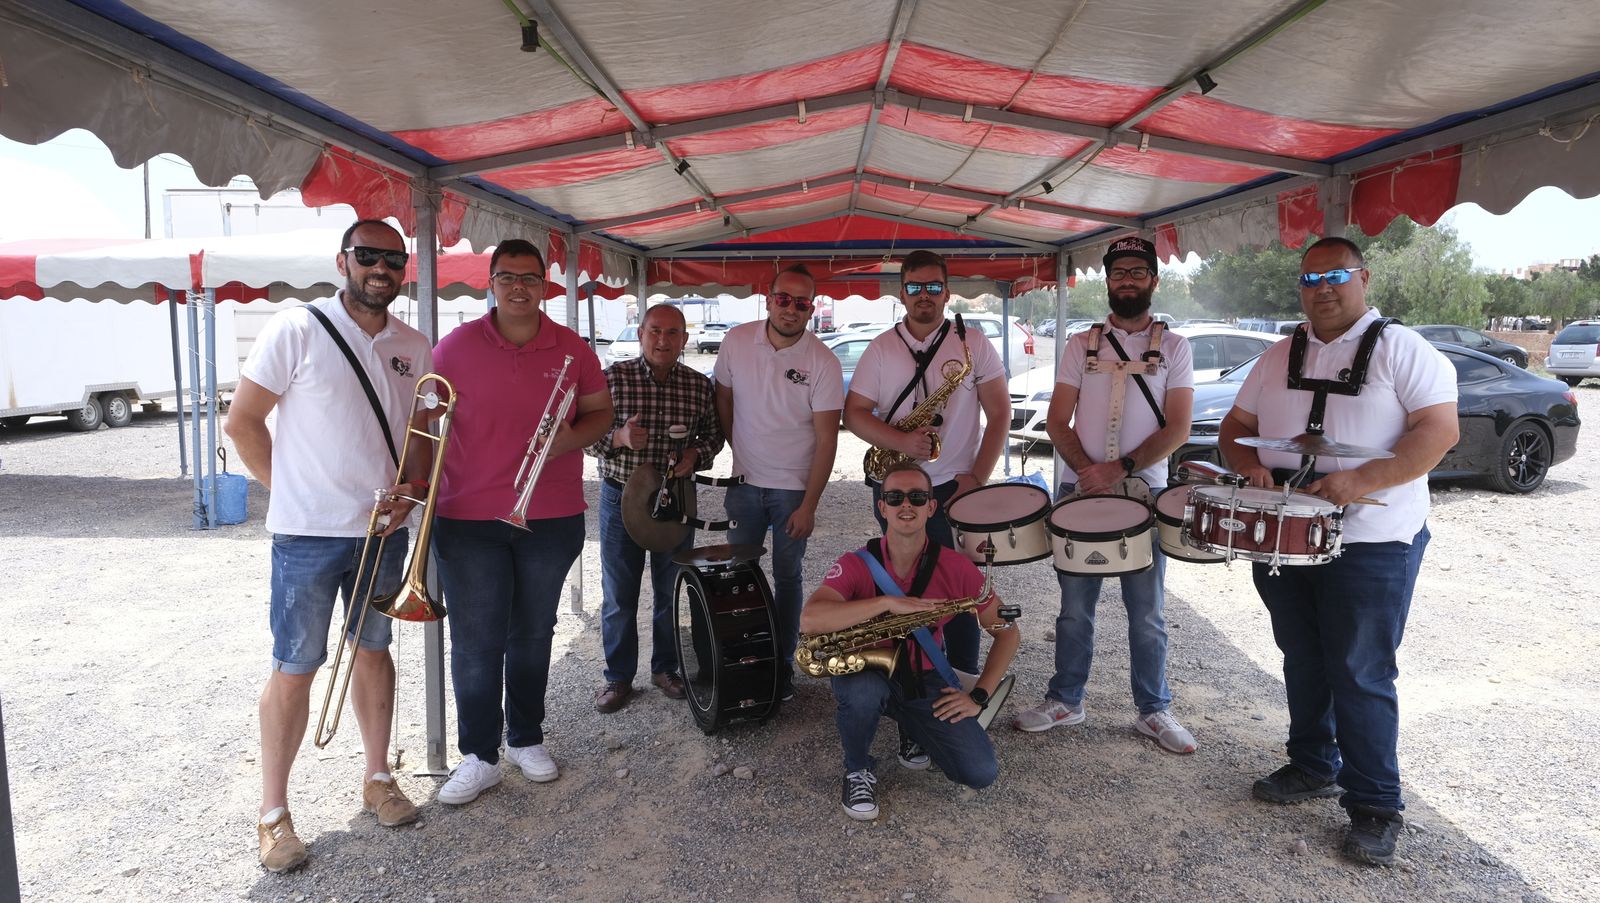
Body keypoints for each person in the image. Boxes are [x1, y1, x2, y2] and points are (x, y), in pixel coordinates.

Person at [1218, 236, 1458, 865]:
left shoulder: (1403, 348)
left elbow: (1440, 430)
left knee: (1360, 669)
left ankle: (1376, 804)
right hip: (1286, 539)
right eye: (1310, 277)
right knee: (1302, 655)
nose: (1322, 287)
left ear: (1364, 278)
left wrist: (1362, 480)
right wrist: (1250, 470)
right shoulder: (1276, 355)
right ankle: (1312, 763)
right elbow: (1235, 431)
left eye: (1335, 275)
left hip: (1373, 541)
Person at [225, 220, 433, 873]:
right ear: (343, 260)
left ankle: (377, 778)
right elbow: (242, 421)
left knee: (374, 652)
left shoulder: (414, 343)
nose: (380, 267)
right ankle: (273, 815)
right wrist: (287, 491)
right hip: (309, 534)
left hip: (382, 530)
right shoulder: (297, 327)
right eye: (367, 256)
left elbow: (421, 428)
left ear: (404, 268)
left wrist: (414, 484)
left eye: (392, 259)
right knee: (297, 666)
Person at [426, 239, 613, 805]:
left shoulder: (573, 349)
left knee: (533, 633)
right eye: (507, 276)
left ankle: (525, 737)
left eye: (530, 278)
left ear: (545, 284)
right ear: (490, 281)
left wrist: (569, 440)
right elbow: (420, 419)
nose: (518, 287)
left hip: (551, 514)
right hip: (468, 517)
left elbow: (600, 413)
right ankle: (478, 755)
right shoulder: (452, 349)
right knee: (477, 641)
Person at [1012, 236, 1198, 754]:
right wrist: (1087, 472)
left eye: (1138, 272)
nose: (1128, 281)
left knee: (1147, 609)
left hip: (1144, 490)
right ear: (1109, 281)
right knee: (1074, 606)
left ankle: (1154, 708)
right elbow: (1057, 420)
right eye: (1119, 273)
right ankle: (1066, 698)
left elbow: (1178, 427)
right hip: (1082, 486)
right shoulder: (1080, 345)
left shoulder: (1175, 348)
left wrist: (1119, 468)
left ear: (1153, 281)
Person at [799, 463, 1020, 821]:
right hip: (866, 670)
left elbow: (1007, 632)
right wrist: (887, 603)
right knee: (863, 695)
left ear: (931, 507)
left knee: (979, 772)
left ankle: (912, 728)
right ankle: (858, 768)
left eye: (917, 497)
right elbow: (810, 619)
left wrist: (979, 696)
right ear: (881, 507)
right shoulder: (856, 563)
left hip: (924, 676)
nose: (906, 505)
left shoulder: (957, 567)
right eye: (894, 497)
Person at [842, 249, 1011, 681]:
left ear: (947, 293)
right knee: (906, 588)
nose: (924, 296)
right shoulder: (881, 348)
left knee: (962, 589)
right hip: (898, 490)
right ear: (901, 293)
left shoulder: (973, 343)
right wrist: (900, 440)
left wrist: (977, 478)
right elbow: (855, 414)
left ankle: (964, 679)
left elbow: (1001, 414)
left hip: (955, 489)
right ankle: (914, 681)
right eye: (915, 287)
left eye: (933, 287)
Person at [714, 264, 844, 702]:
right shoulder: (735, 341)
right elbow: (724, 398)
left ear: (812, 307)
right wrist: (739, 449)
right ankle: (741, 657)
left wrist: (810, 504)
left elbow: (828, 439)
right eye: (783, 299)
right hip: (744, 485)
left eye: (801, 302)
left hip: (792, 490)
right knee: (739, 576)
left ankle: (783, 665)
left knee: (787, 577)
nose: (791, 309)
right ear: (768, 298)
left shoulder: (822, 360)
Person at [587, 303, 724, 713]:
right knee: (619, 595)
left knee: (670, 590)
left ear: (685, 338)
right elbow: (586, 437)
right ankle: (617, 678)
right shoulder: (613, 379)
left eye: (672, 333)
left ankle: (665, 669)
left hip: (676, 499)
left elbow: (715, 438)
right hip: (620, 498)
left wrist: (695, 456)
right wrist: (619, 438)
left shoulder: (699, 385)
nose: (663, 340)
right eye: (655, 331)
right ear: (641, 332)